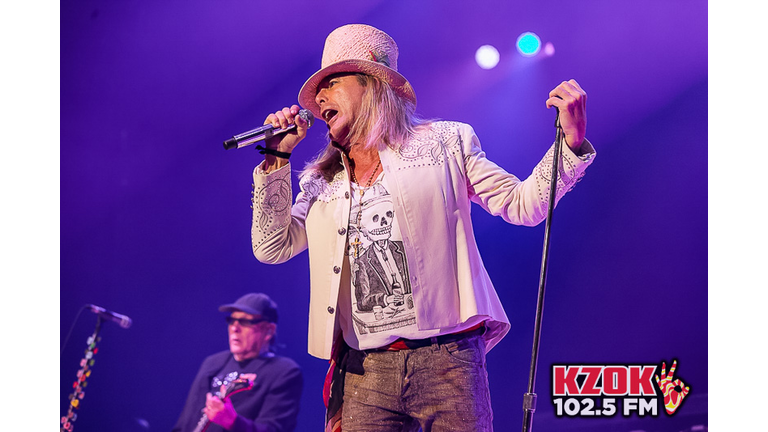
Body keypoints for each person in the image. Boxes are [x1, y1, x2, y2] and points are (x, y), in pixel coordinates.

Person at [249, 24, 595, 432]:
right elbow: (271, 247)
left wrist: (569, 144)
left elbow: (523, 205)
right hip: (364, 372)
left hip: (447, 363)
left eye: (332, 82)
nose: (319, 97)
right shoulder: (322, 180)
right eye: (318, 90)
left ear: (373, 82)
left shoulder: (446, 143)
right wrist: (276, 159)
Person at [172, 293, 303, 432]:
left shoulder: (283, 371)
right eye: (231, 320)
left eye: (245, 322)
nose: (234, 328)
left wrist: (232, 421)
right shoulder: (212, 363)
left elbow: (273, 429)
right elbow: (186, 421)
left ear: (269, 330)